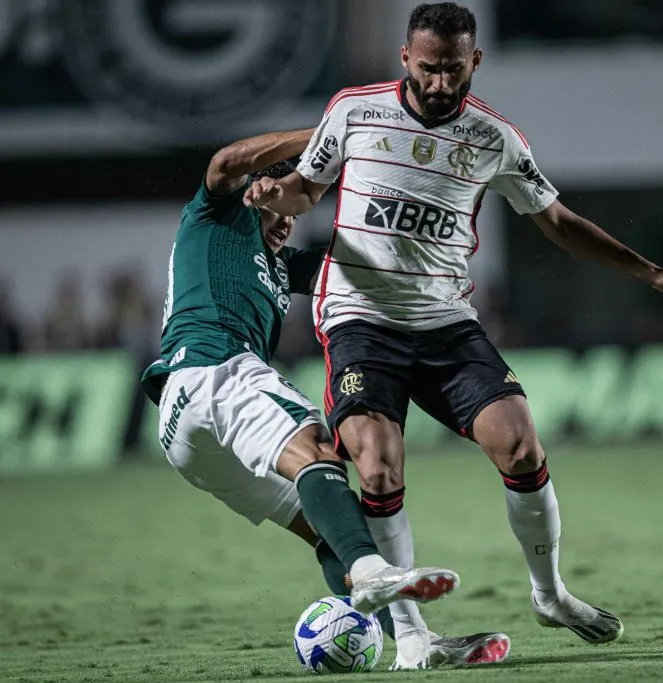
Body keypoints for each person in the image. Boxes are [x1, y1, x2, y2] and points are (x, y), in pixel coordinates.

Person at [246, 1, 663, 666]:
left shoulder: (495, 139)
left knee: (520, 444)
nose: (441, 84)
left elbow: (557, 221)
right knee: (377, 463)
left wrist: (648, 272)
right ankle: (412, 634)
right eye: (429, 69)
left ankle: (550, 593)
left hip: (445, 323)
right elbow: (305, 189)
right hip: (359, 318)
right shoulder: (354, 110)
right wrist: (275, 191)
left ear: (476, 61)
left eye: (454, 70)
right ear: (406, 59)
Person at [141, 127, 510, 668]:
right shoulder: (219, 217)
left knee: (331, 528)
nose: (291, 213)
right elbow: (224, 161)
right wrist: (333, 133)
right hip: (212, 371)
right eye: (285, 194)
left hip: (187, 431)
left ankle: (413, 644)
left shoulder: (277, 264)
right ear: (257, 190)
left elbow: (357, 257)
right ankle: (369, 575)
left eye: (299, 204)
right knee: (319, 451)